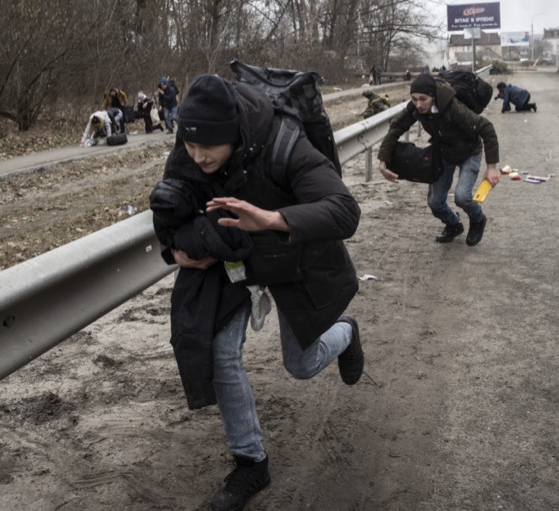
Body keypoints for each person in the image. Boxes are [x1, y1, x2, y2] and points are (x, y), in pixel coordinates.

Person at [150, 74, 364, 510]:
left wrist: (272, 220)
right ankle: (251, 462)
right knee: (218, 350)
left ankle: (345, 334)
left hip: (290, 251)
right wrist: (174, 251)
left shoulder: (284, 142)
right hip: (232, 252)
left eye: (206, 147)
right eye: (189, 146)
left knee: (301, 364)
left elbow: (344, 210)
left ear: (233, 133)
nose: (196, 156)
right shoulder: (191, 146)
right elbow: (175, 209)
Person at [377, 72, 502, 246]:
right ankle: (453, 224)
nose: (418, 104)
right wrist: (383, 160)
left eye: (423, 99)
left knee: (462, 196)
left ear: (433, 97)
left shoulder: (453, 108)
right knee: (435, 203)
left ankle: (478, 219)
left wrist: (491, 167)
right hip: (444, 153)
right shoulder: (415, 108)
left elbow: (486, 128)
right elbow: (396, 127)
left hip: (469, 151)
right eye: (414, 99)